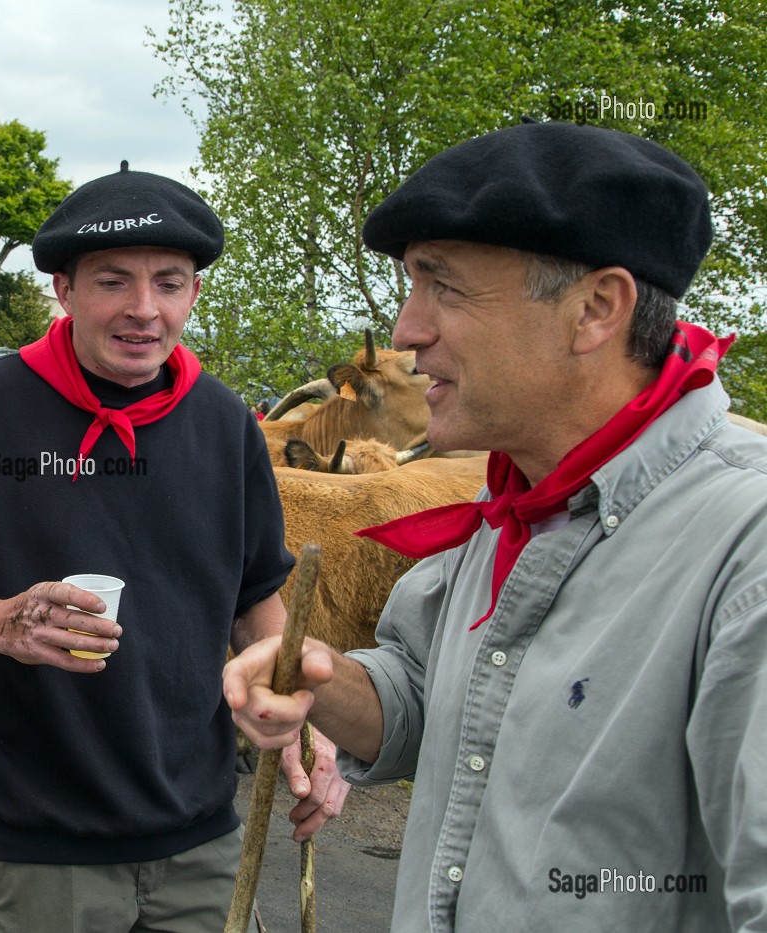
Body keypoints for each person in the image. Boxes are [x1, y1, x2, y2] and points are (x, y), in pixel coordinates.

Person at [224, 121, 767, 931]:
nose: (407, 331)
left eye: (443, 285)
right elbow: (421, 698)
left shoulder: (744, 545)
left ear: (595, 309)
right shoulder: (517, 503)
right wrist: (321, 674)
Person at [0, 162, 347, 932]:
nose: (144, 309)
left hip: (203, 839)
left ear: (194, 293)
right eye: (113, 281)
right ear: (64, 289)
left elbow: (256, 601)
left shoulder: (224, 424)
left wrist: (304, 732)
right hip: (38, 851)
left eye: (169, 283)